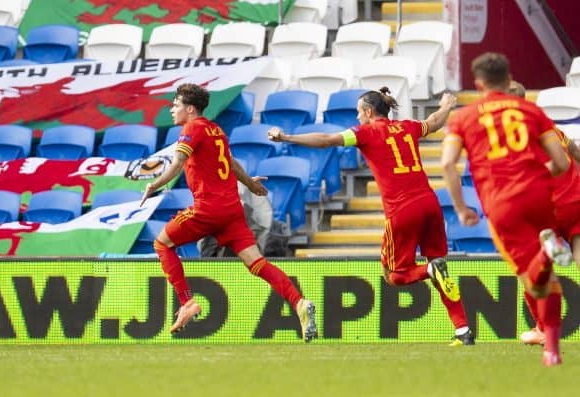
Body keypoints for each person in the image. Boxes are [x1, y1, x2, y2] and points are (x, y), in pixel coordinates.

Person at [269, 87, 475, 346]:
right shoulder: (407, 126)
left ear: (368, 112)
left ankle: (431, 271)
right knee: (440, 270)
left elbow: (325, 140)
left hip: (403, 210)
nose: (357, 118)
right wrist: (446, 105)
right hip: (430, 204)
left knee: (395, 275)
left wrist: (287, 138)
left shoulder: (365, 133)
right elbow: (434, 122)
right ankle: (462, 330)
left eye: (358, 112)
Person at [140, 83, 317, 342]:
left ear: (190, 109)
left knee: (162, 244)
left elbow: (177, 163)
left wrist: (153, 185)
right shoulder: (216, 130)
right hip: (232, 211)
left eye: (175, 105)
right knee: (258, 263)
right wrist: (251, 184)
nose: (171, 109)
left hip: (207, 209)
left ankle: (187, 302)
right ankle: (299, 302)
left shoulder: (192, 128)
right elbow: (231, 163)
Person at [442, 52, 574, 366]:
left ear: (478, 83)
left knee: (534, 280)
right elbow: (560, 161)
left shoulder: (463, 117)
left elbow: (448, 164)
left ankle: (546, 255)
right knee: (548, 278)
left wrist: (461, 208)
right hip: (540, 196)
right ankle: (551, 350)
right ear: (508, 77)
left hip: (502, 203)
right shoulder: (532, 110)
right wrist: (541, 179)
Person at [508, 80, 580, 346]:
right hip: (576, 199)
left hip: (547, 207)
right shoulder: (551, 126)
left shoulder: (514, 133)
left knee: (528, 269)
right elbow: (572, 151)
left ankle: (542, 328)